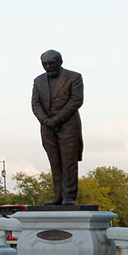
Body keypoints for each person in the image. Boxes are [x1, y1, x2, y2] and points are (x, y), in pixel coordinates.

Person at [32, 49, 84, 206]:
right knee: (54, 162)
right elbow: (35, 104)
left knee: (69, 162)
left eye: (51, 63)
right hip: (47, 127)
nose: (48, 66)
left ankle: (69, 196)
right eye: (45, 64)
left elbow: (76, 100)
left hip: (68, 125)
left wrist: (56, 119)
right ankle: (58, 196)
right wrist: (45, 120)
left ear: (60, 62)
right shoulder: (38, 81)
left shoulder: (74, 77)